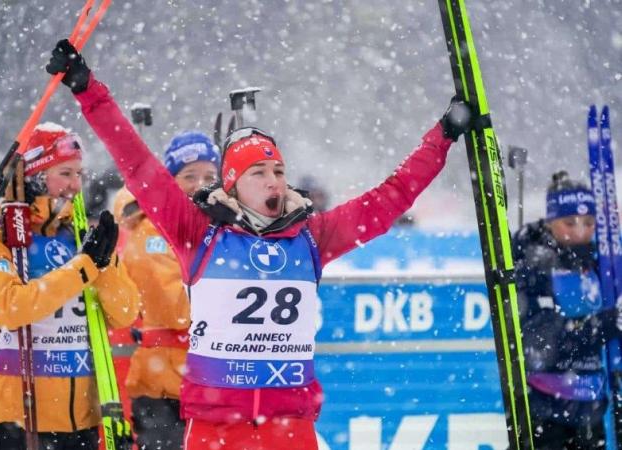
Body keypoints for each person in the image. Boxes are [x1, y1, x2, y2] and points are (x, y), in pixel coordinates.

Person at [46, 39, 475, 450]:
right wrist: (88, 89)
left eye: (278, 170)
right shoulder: (199, 231)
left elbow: (390, 198)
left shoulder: (312, 236)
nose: (273, 179)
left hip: (288, 427)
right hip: (216, 427)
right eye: (259, 173)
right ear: (232, 184)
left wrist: (441, 138)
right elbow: (137, 160)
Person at [0, 123, 139, 450]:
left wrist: (105, 265)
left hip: (82, 419)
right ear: (34, 175)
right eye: (65, 173)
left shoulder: (80, 236)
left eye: (80, 174)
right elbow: (10, 308)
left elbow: (125, 313)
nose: (75, 185)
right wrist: (84, 266)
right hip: (17, 419)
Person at [113, 131, 220, 450]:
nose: (201, 184)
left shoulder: (214, 228)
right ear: (170, 180)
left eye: (210, 176)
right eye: (190, 176)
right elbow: (173, 308)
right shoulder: (151, 230)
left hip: (209, 381)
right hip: (164, 386)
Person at [512, 170, 620, 449]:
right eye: (569, 223)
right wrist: (604, 325)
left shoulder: (600, 263)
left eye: (588, 223)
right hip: (543, 410)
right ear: (550, 222)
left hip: (591, 410)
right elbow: (542, 342)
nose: (580, 232)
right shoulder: (533, 263)